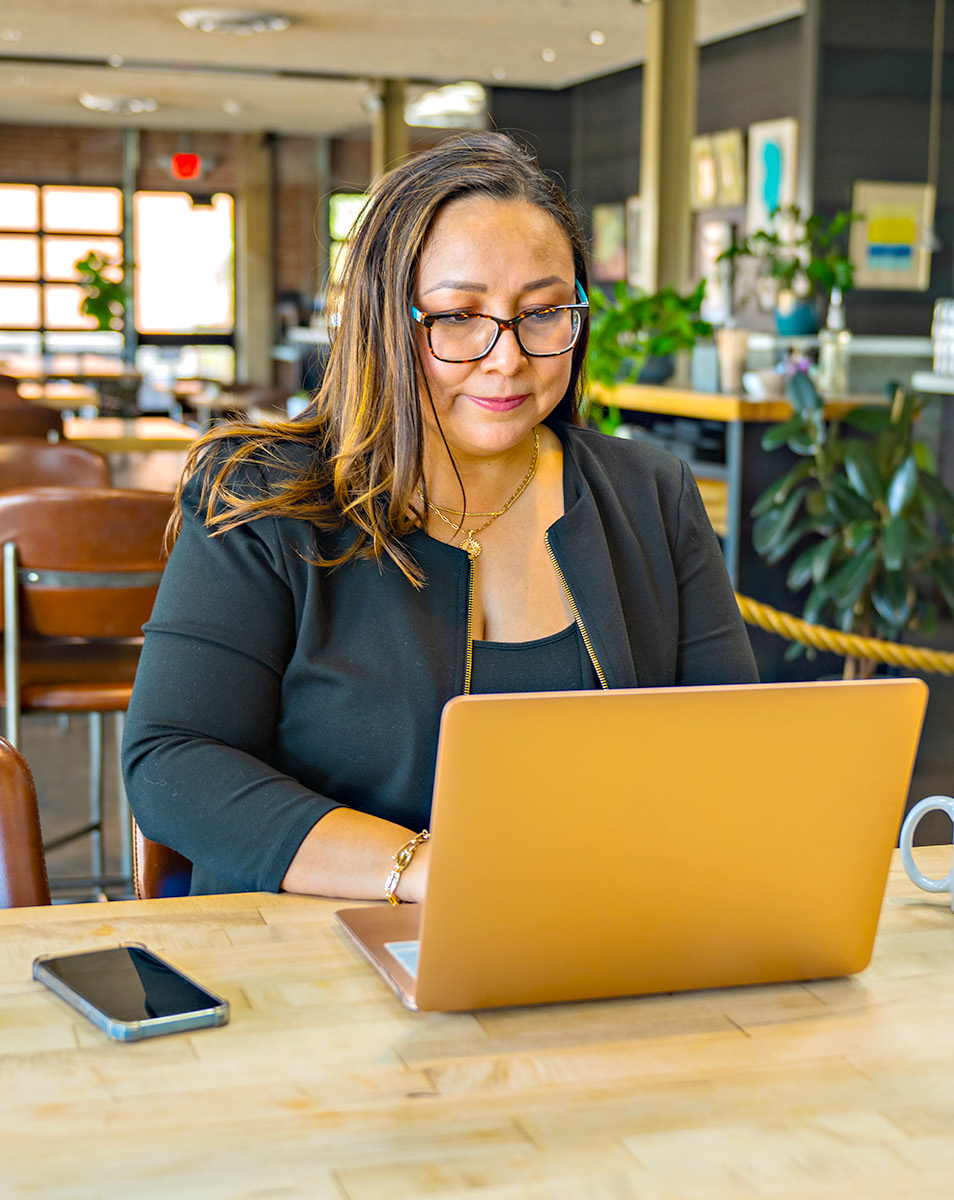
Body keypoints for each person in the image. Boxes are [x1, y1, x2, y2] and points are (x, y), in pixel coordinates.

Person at [123, 132, 756, 901]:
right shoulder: (262, 497)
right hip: (311, 963)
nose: (507, 358)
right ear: (385, 319)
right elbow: (173, 761)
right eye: (459, 317)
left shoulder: (652, 496)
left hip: (590, 939)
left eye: (543, 312)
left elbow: (728, 747)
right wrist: (426, 870)